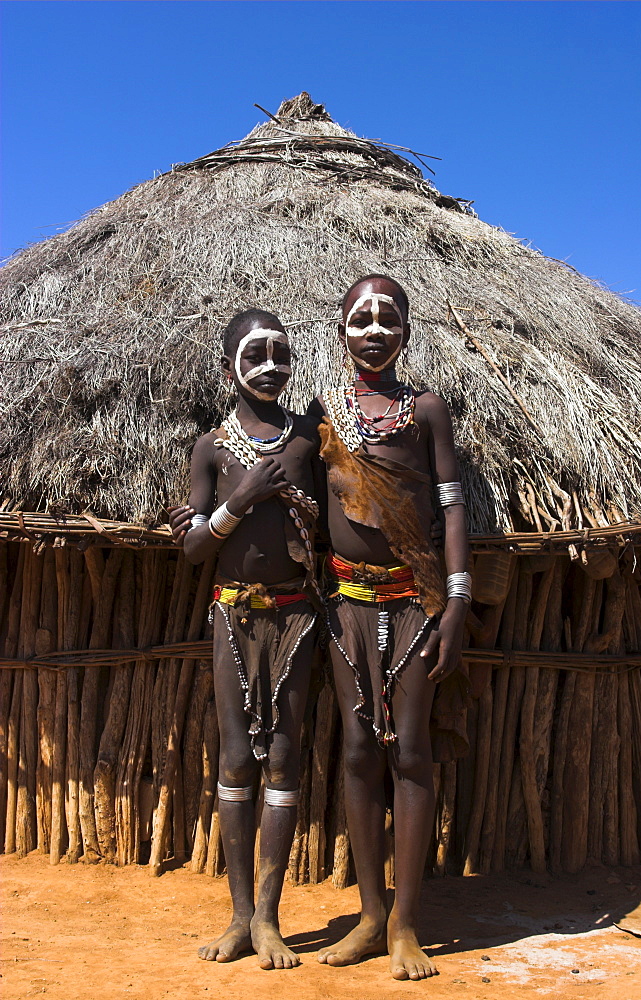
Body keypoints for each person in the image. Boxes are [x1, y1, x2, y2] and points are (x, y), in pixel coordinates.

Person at [306, 275, 470, 982]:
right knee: (356, 749)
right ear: (340, 330)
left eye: (388, 318)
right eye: (361, 319)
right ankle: (370, 917)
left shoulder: (426, 410)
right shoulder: (322, 414)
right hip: (345, 603)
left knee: (408, 752)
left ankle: (406, 924)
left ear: (408, 329)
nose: (374, 330)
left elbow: (453, 507)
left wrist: (456, 603)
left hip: (415, 602)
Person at [173, 308, 322, 970]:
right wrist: (245, 498)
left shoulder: (310, 441)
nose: (270, 366)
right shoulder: (211, 448)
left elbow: (336, 521)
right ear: (227, 363)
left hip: (297, 618)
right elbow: (194, 549)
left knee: (284, 760)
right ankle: (237, 916)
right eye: (255, 354)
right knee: (237, 762)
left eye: (281, 354)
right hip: (234, 617)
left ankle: (268, 918)